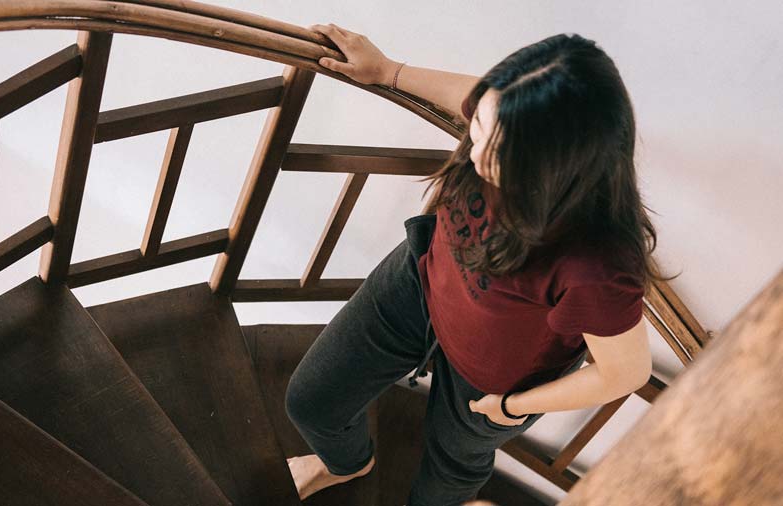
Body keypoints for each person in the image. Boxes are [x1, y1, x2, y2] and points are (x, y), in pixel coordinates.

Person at [285, 23, 677, 506]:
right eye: (479, 125)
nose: (471, 148)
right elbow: (473, 94)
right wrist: (389, 71)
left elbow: (625, 372)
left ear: (552, 169)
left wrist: (513, 406)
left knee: (446, 482)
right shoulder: (503, 117)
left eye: (494, 146)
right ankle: (345, 462)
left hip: (495, 381)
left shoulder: (597, 264)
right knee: (310, 401)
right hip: (420, 284)